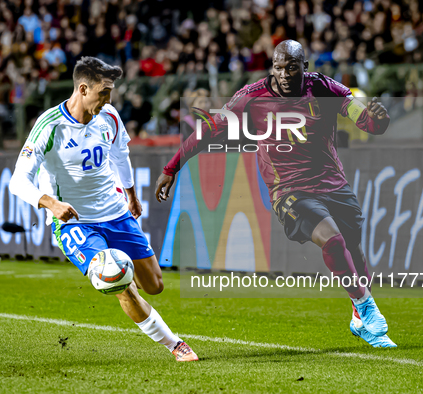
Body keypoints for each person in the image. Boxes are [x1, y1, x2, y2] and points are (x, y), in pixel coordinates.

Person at [155, 40, 396, 348]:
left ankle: (360, 320)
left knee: (354, 250)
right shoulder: (251, 97)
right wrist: (172, 167)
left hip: (333, 184)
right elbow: (209, 130)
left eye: (291, 67)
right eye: (278, 67)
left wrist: (379, 119)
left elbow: (366, 120)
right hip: (289, 189)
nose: (283, 74)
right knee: (332, 239)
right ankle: (366, 307)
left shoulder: (324, 88)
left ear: (305, 68)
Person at [10, 56, 198, 362]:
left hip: (115, 212)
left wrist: (131, 195)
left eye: (110, 93)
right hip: (76, 223)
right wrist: (50, 203)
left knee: (155, 285)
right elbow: (18, 181)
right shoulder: (50, 126)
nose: (108, 100)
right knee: (119, 280)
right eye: (103, 93)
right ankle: (175, 345)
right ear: (83, 89)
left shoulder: (108, 116)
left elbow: (121, 155)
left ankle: (126, 279)